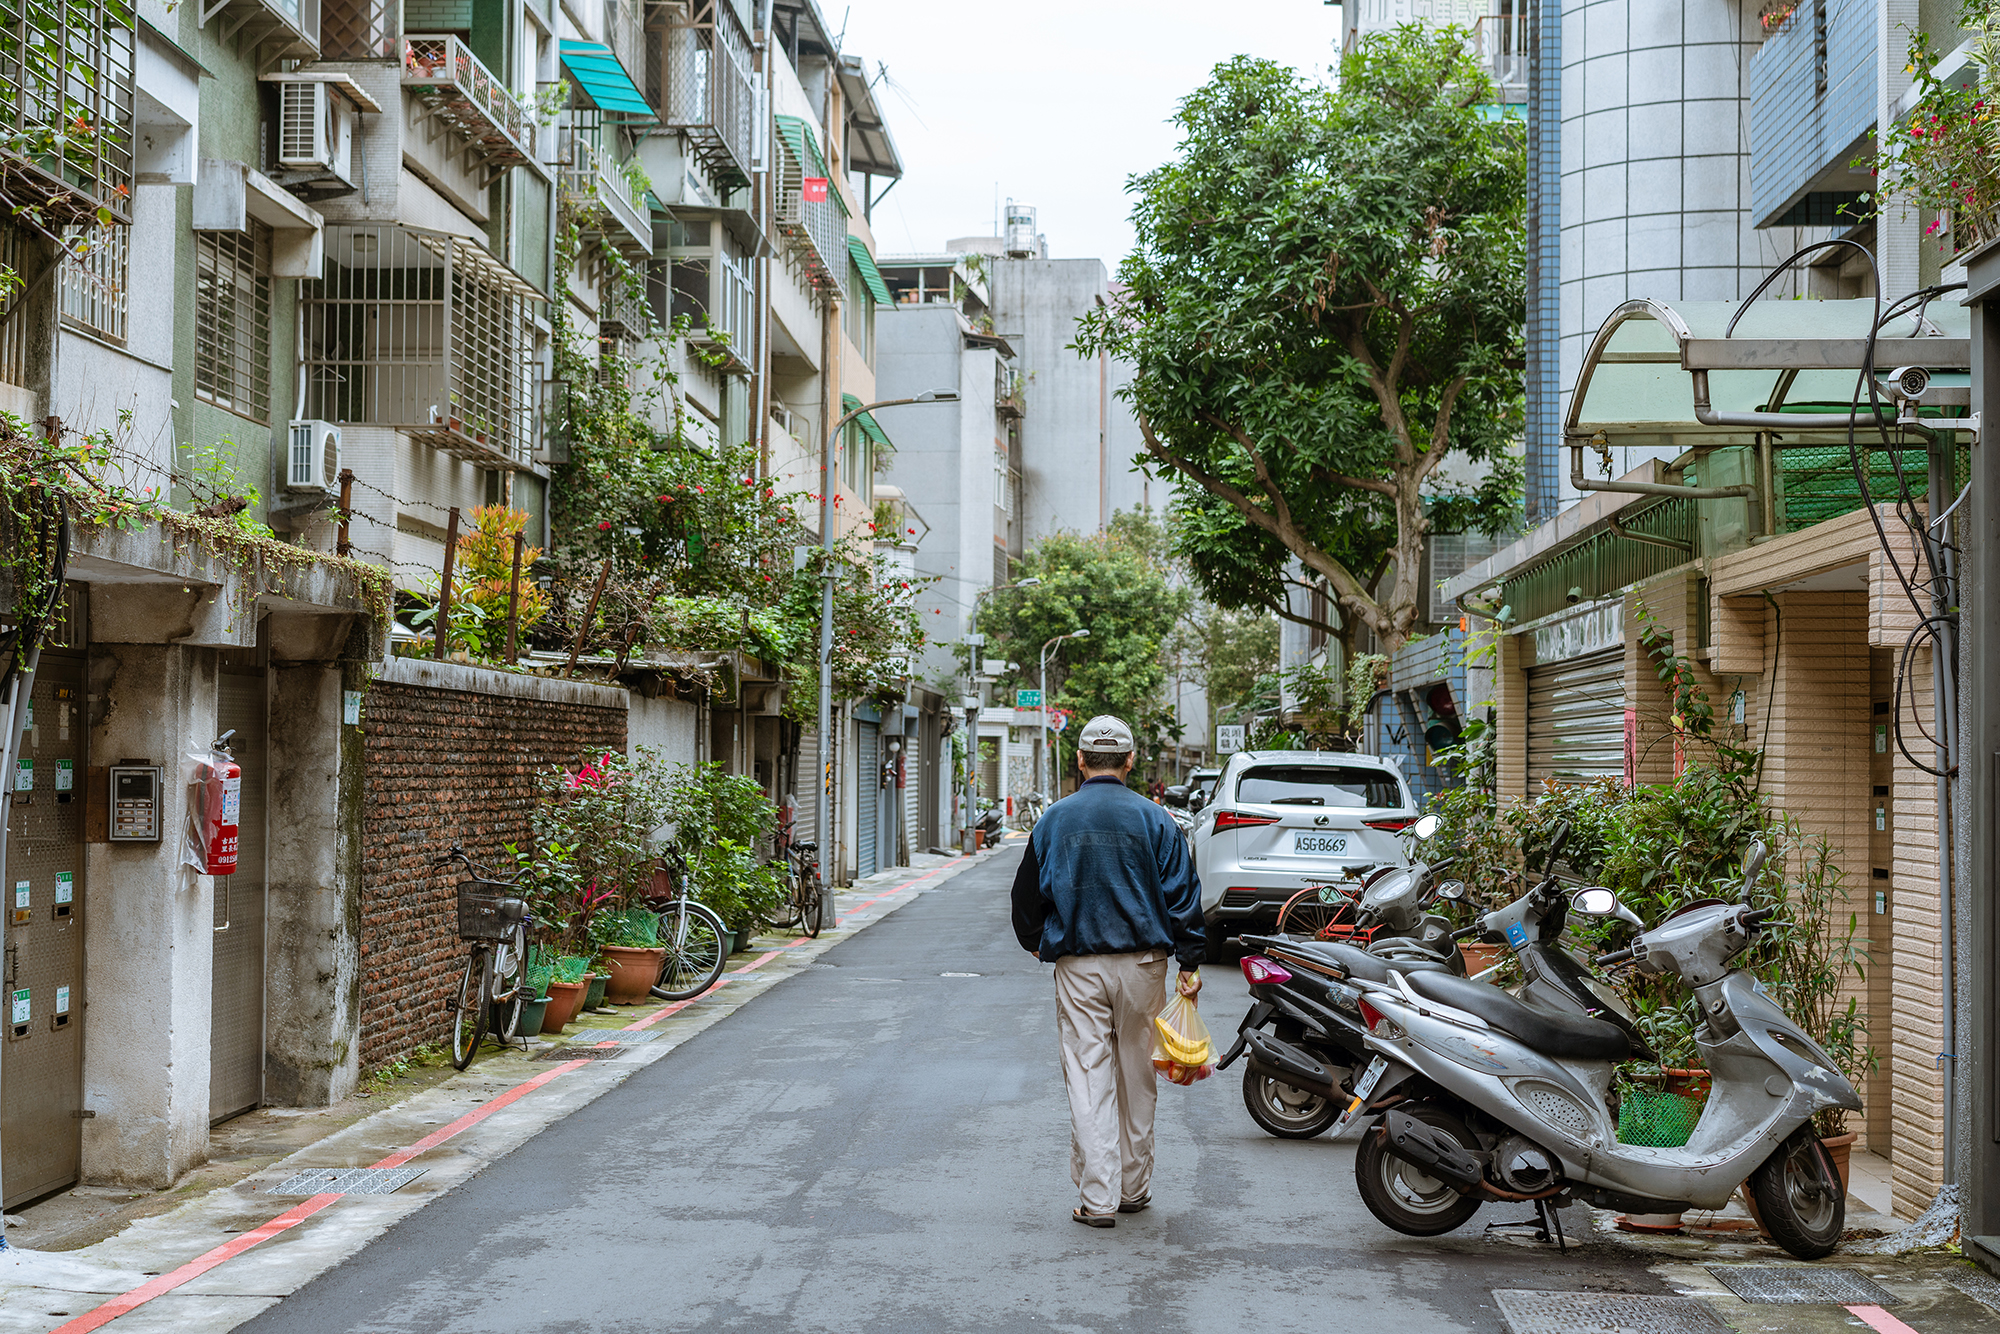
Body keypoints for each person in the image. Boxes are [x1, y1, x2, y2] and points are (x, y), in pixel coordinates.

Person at [1010, 714, 1205, 1228]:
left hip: (1078, 964)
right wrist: (1191, 961)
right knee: (1138, 1074)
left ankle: (1098, 1201)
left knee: (1088, 1076)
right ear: (1130, 760)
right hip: (1144, 964)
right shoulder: (1156, 819)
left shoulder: (1054, 819)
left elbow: (1026, 897)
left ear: (1080, 761)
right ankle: (1134, 1188)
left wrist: (1035, 942)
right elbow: (1183, 894)